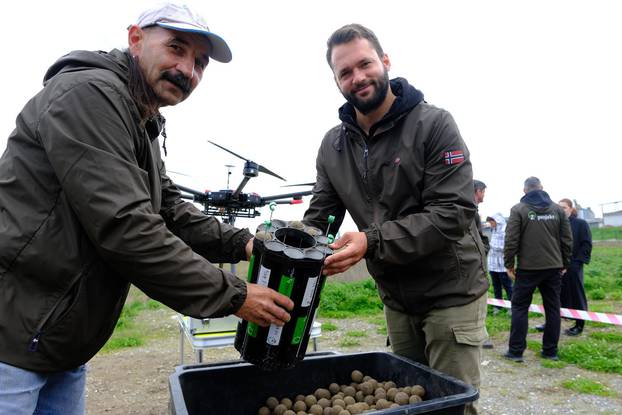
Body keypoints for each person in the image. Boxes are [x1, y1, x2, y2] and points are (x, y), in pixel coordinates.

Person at [0, 4, 293, 414]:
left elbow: (169, 209)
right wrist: (236, 295)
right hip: (13, 335)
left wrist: (246, 244)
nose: (187, 70)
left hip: (58, 339)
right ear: (135, 39)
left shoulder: (141, 118)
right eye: (176, 48)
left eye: (200, 63)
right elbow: (127, 227)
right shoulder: (89, 96)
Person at [303, 23, 489, 415]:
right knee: (404, 398)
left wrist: (370, 241)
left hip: (450, 292)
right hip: (397, 299)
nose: (358, 77)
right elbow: (320, 217)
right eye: (345, 72)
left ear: (385, 61)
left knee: (450, 406)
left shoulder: (433, 125)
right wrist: (286, 250)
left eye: (364, 64)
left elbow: (452, 213)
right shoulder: (333, 145)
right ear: (336, 81)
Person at [503, 177, 572, 362]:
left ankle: (516, 352)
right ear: (542, 188)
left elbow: (511, 240)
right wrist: (565, 263)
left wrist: (509, 264)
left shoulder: (518, 209)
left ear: (525, 190)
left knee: (519, 307)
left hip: (527, 268)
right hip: (553, 268)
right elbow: (566, 239)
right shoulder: (557, 210)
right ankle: (550, 351)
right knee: (552, 308)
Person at [558, 198, 592, 336]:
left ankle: (579, 324)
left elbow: (586, 244)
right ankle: (552, 321)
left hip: (574, 265)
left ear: (571, 209)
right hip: (558, 265)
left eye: (564, 208)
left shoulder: (581, 224)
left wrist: (576, 264)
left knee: (576, 294)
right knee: (555, 295)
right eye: (559, 208)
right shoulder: (557, 225)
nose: (562, 210)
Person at [486, 214, 513, 315]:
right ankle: (498, 306)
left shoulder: (505, 231)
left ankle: (512, 306)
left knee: (508, 286)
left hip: (502, 265)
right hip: (493, 264)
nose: (490, 223)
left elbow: (505, 247)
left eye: (492, 221)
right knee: (496, 286)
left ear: (497, 221)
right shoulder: (493, 230)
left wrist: (490, 245)